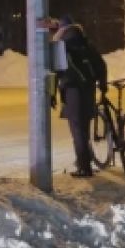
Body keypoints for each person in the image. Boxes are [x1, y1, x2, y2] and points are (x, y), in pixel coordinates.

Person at [51, 16, 107, 178]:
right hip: (88, 88)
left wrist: (52, 94)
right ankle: (85, 161)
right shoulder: (86, 43)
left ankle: (84, 168)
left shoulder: (62, 46)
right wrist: (102, 85)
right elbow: (101, 65)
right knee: (84, 128)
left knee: (77, 130)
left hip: (72, 90)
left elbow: (56, 72)